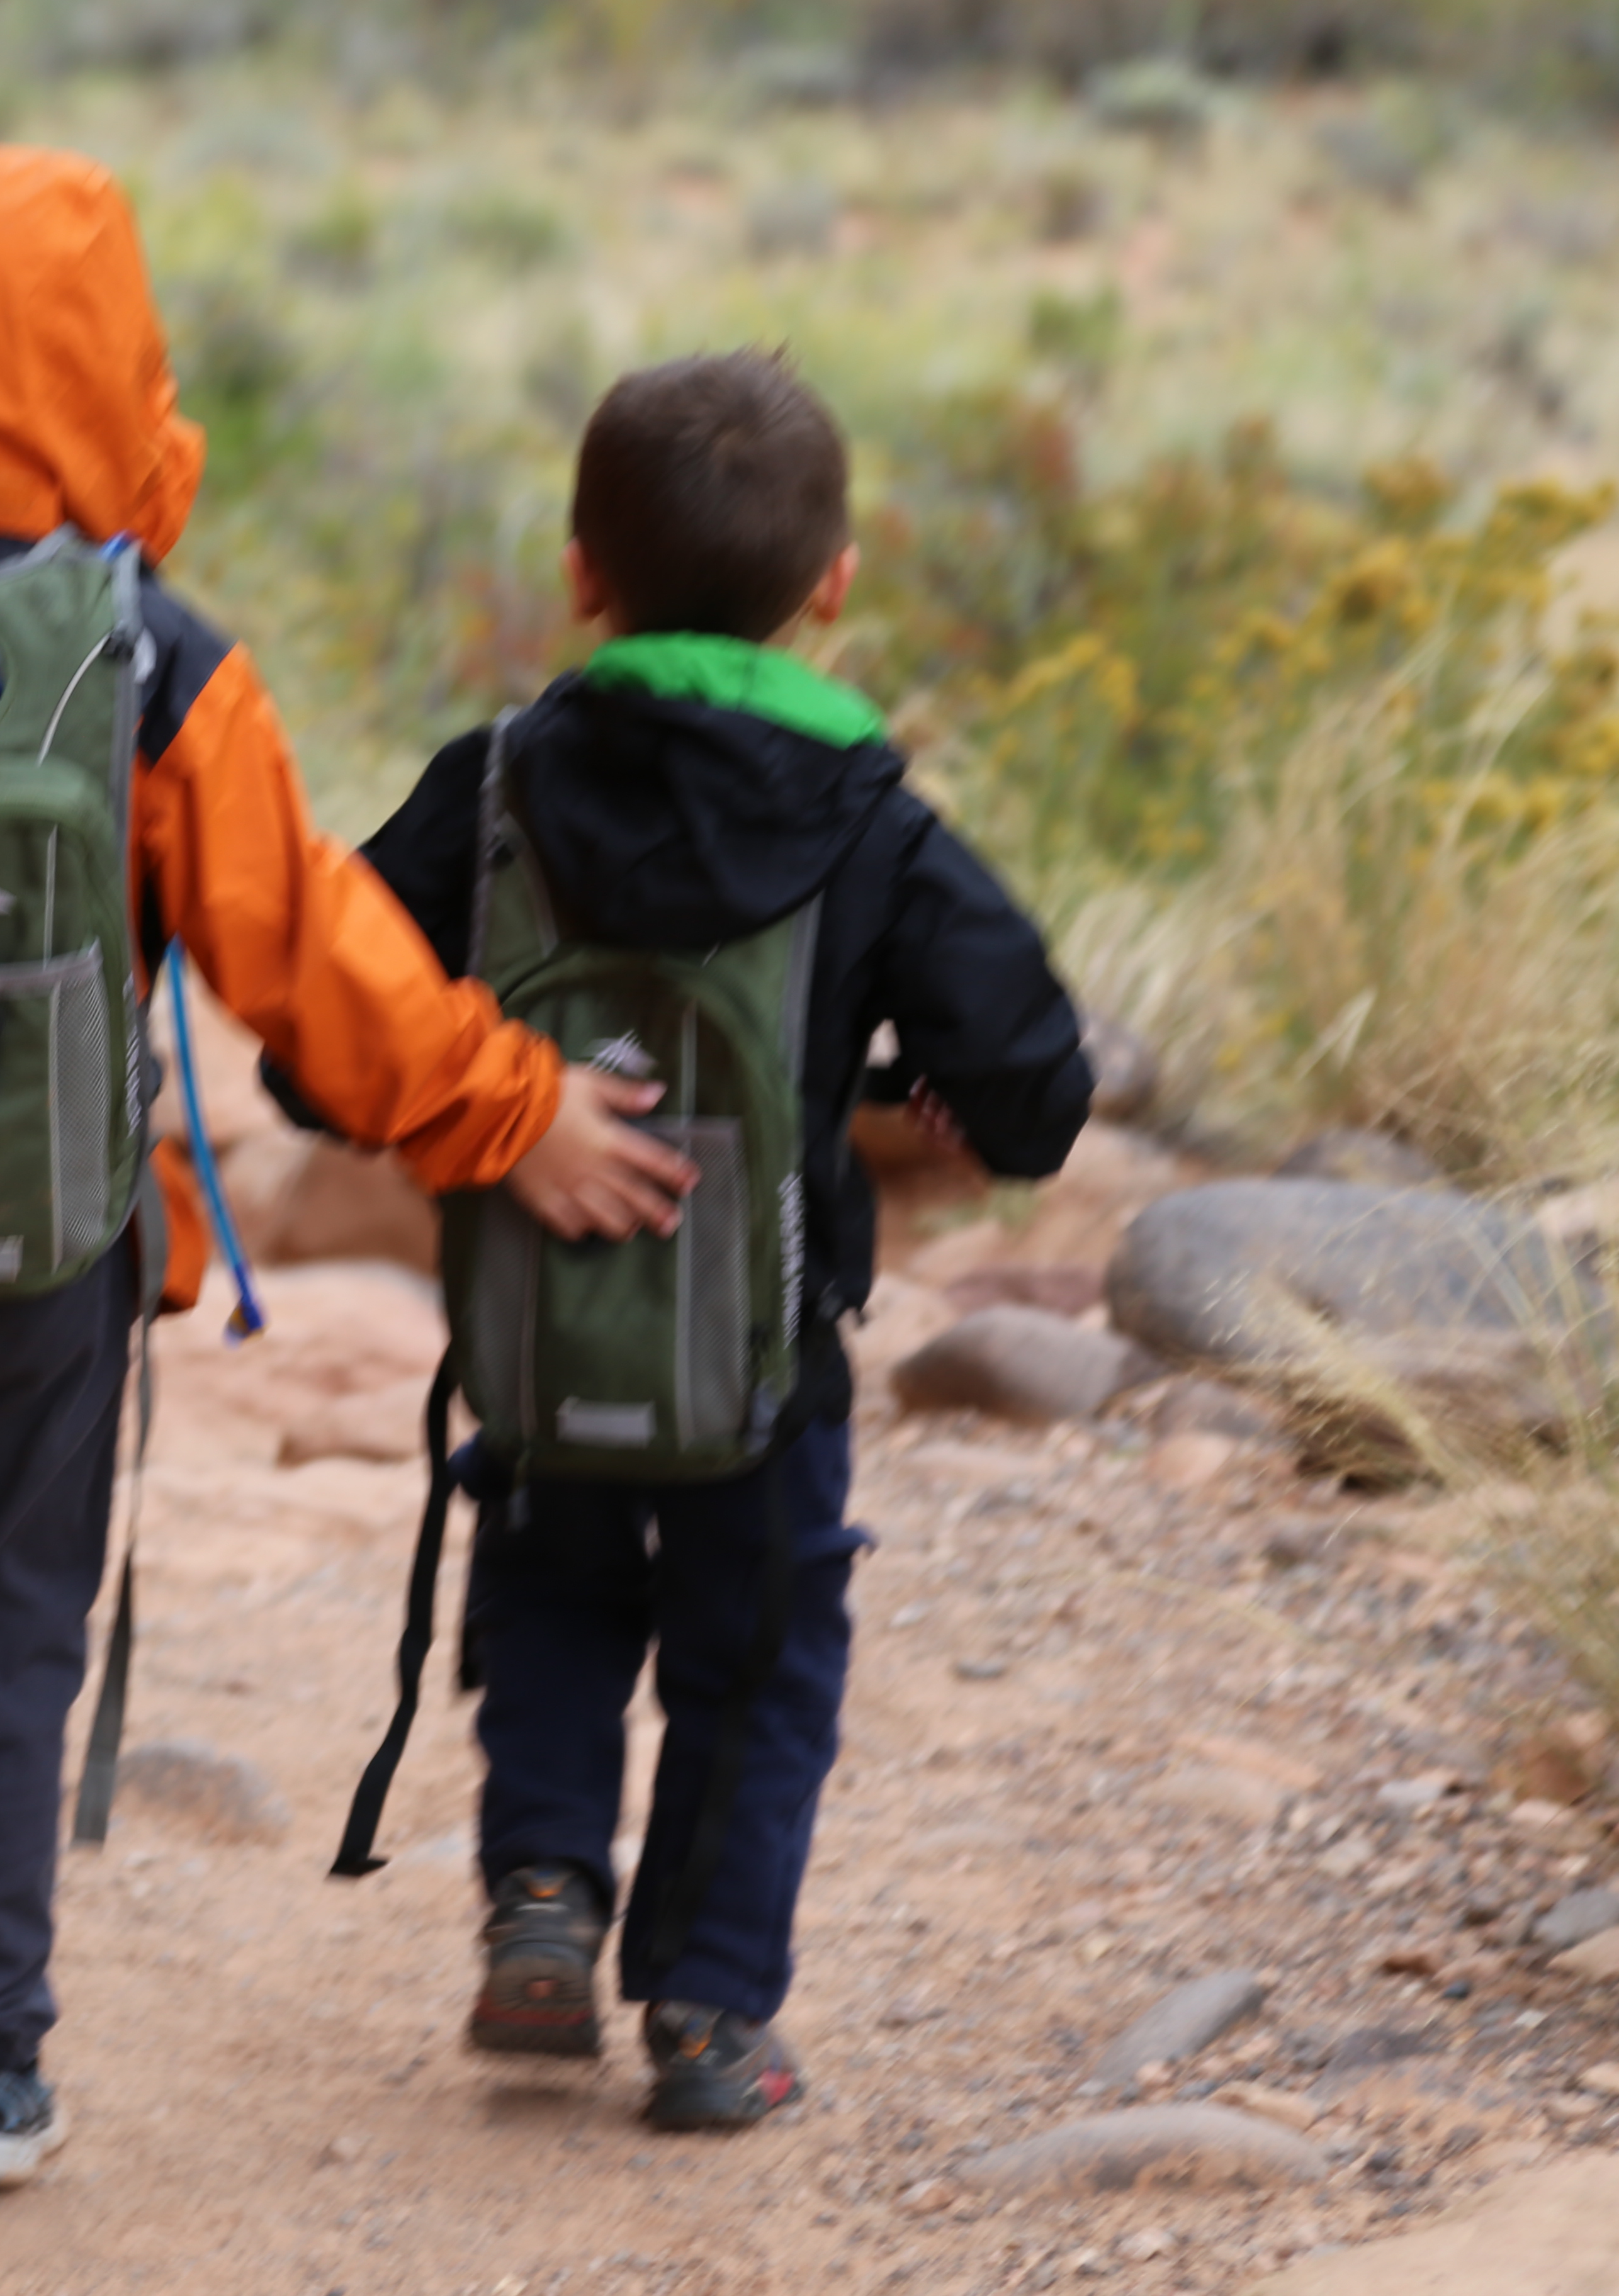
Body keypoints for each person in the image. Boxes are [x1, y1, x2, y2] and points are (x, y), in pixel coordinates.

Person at [0, 146, 695, 2195]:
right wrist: (513, 1108)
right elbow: (317, 961)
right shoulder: (154, 652)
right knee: (12, 1636)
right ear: (115, 364)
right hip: (66, 1262)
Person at [328, 351, 1093, 2130]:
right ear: (832, 587)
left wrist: (491, 1097)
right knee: (758, 1659)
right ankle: (708, 2011)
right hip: (763, 1356)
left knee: (555, 1595)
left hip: (535, 1346)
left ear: (584, 570)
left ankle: (541, 1897)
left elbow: (322, 1019)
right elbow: (1040, 1098)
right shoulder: (878, 831)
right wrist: (925, 1091)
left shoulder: (497, 784)